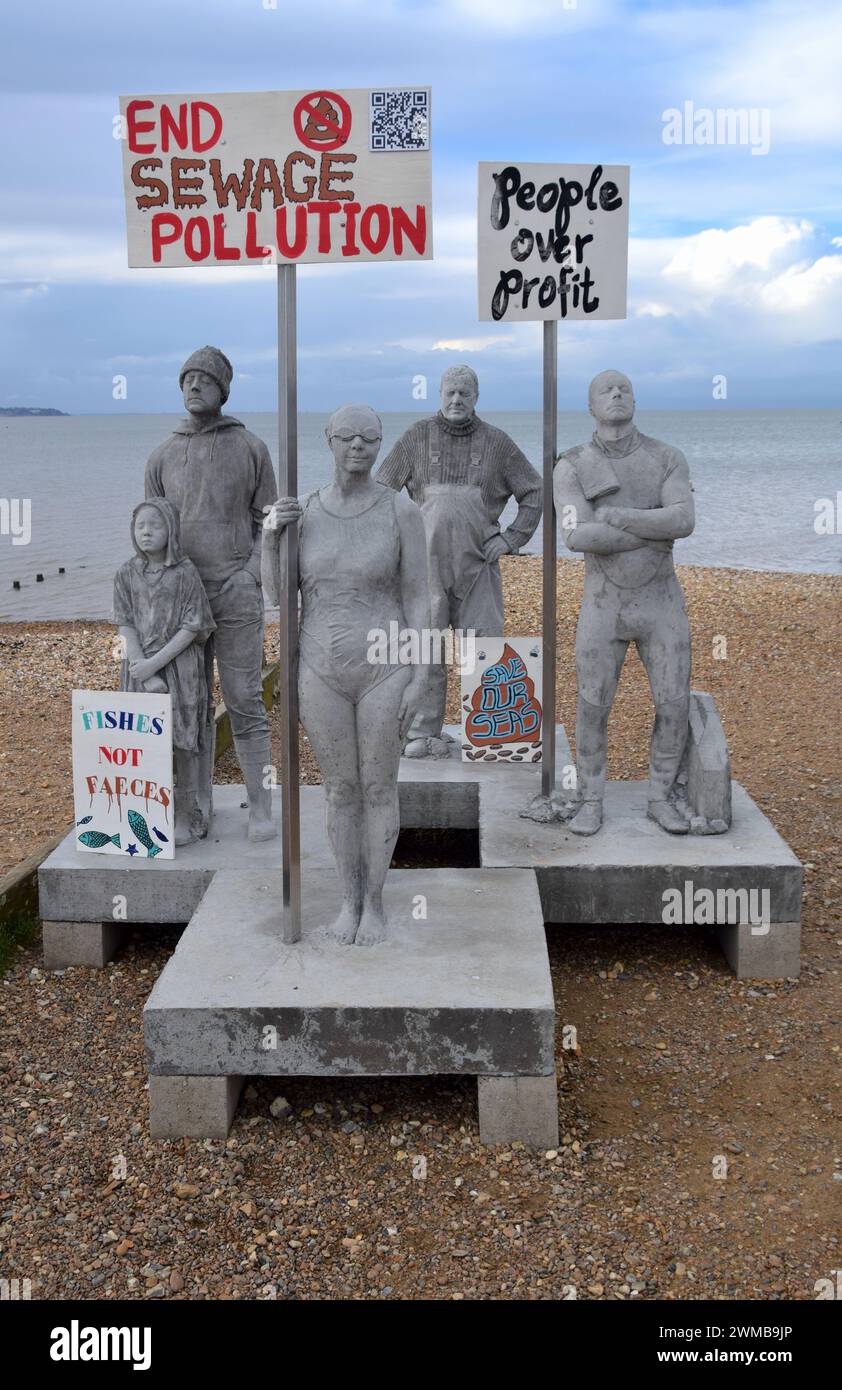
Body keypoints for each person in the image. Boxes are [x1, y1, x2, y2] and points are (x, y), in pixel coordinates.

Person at [262, 405, 430, 945]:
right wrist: (270, 537)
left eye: (370, 438)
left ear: (381, 444)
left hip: (386, 664)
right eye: (348, 437)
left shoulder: (400, 510)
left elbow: (420, 595)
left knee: (379, 785)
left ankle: (375, 903)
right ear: (328, 441)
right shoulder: (304, 511)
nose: (359, 447)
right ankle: (348, 898)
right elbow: (278, 594)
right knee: (340, 788)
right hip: (321, 666)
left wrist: (424, 670)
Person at [145, 346, 278, 841]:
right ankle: (193, 809)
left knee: (245, 697)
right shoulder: (161, 455)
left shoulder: (251, 447)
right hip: (181, 602)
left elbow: (270, 522)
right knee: (188, 702)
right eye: (188, 379)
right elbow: (152, 531)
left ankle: (261, 805)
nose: (194, 386)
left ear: (224, 389)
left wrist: (251, 574)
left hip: (236, 592)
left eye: (205, 379)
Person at [554, 369, 695, 836]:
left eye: (625, 388)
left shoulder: (666, 457)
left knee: (673, 702)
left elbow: (683, 519)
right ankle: (591, 797)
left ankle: (660, 796)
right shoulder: (572, 465)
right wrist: (652, 528)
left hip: (661, 601)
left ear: (635, 399)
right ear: (590, 406)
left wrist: (620, 516)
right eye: (605, 390)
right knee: (593, 704)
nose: (617, 394)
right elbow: (577, 535)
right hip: (603, 603)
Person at [375, 364, 542, 757]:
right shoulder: (417, 437)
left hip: (478, 568)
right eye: (450, 392)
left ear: (476, 398)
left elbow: (534, 492)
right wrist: (394, 548)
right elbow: (382, 494)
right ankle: (420, 733)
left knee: (484, 649)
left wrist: (511, 538)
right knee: (426, 651)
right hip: (424, 570)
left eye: (464, 393)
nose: (456, 399)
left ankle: (493, 737)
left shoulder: (498, 444)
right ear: (439, 394)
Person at [114, 499, 216, 846]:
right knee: (144, 742)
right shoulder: (126, 574)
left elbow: (193, 627)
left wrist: (156, 666)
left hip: (179, 669)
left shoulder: (185, 573)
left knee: (184, 740)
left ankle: (188, 814)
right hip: (138, 669)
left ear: (170, 531)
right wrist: (141, 669)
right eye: (140, 526)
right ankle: (147, 814)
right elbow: (125, 624)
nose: (146, 532)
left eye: (154, 526)